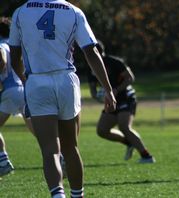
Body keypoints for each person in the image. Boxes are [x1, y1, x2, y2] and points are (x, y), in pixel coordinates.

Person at [9, 1, 116, 198]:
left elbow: (14, 56)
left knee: (50, 150)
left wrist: (25, 80)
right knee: (71, 147)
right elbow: (91, 51)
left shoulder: (21, 12)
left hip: (37, 81)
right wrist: (108, 89)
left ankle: (58, 195)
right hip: (66, 80)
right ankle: (77, 195)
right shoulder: (73, 11)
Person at [88, 41, 155, 163]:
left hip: (125, 97)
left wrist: (116, 90)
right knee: (102, 130)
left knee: (124, 127)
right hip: (112, 100)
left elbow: (130, 77)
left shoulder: (114, 62)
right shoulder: (93, 67)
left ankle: (147, 156)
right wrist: (97, 96)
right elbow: (93, 88)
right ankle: (129, 142)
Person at [0, 17, 34, 177]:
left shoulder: (1, 45)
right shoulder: (16, 45)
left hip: (11, 90)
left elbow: (2, 60)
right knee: (37, 129)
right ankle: (60, 155)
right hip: (24, 88)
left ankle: (3, 160)